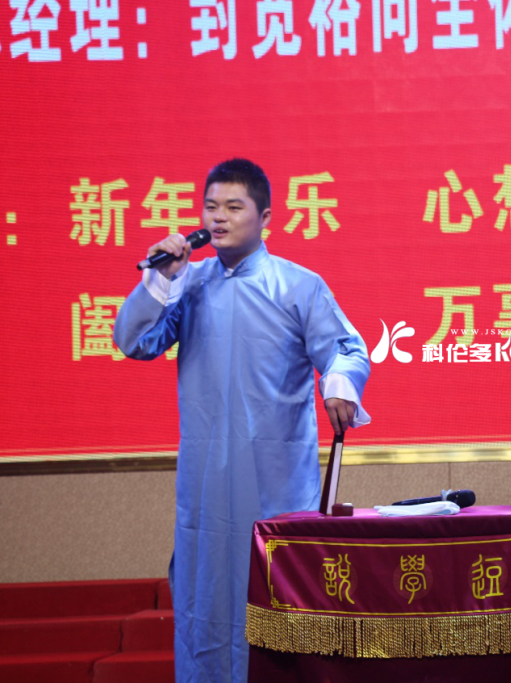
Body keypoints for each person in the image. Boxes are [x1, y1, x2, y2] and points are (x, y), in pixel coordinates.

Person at [114, 158, 371, 683]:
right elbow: (134, 342)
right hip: (207, 483)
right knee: (204, 598)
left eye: (234, 207)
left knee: (278, 599)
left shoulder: (297, 285)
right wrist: (160, 279)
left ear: (265, 217)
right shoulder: (189, 283)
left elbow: (346, 350)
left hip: (275, 481)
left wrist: (339, 383)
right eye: (211, 207)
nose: (218, 218)